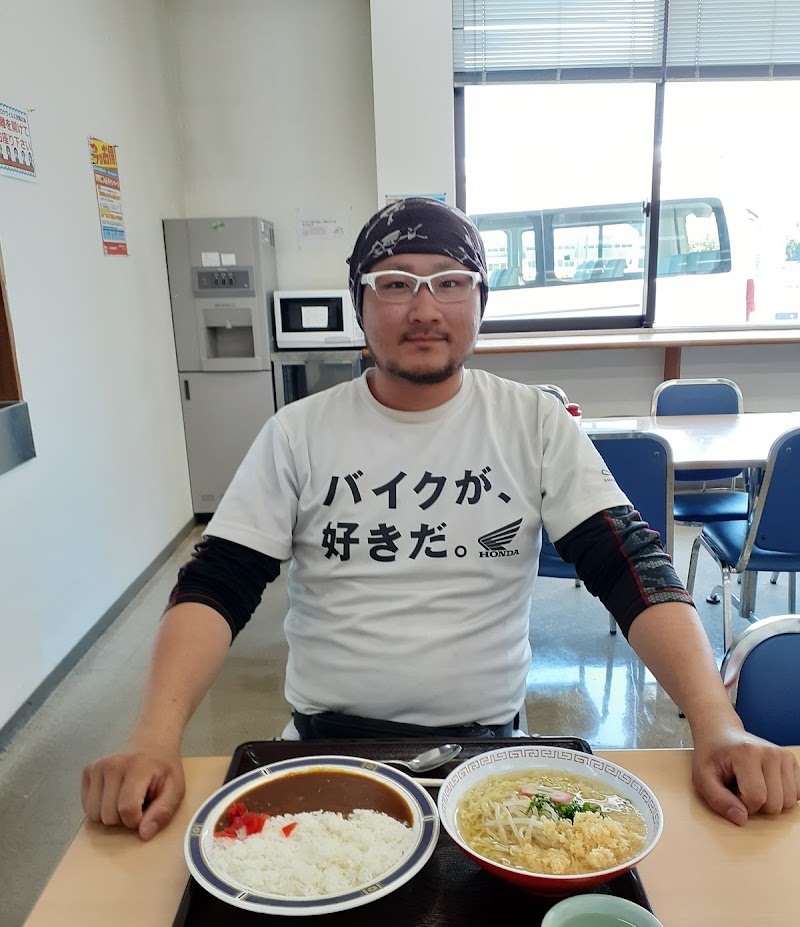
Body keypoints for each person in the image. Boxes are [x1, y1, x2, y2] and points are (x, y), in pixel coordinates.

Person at [82, 197, 799, 840]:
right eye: (395, 284)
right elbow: (218, 584)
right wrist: (153, 735)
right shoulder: (298, 433)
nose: (424, 308)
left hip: (482, 755)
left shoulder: (533, 423)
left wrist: (716, 723)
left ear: (480, 301)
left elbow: (630, 566)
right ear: (359, 306)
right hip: (321, 750)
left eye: (450, 282)